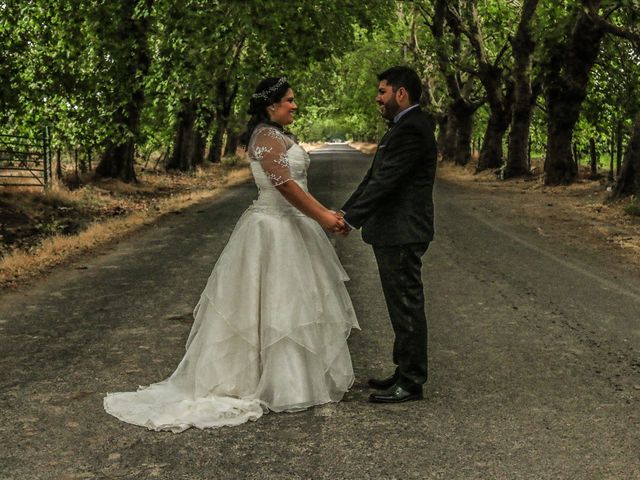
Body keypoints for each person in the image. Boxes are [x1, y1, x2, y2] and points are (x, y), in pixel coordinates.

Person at [103, 77, 359, 432]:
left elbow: (298, 187)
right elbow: (283, 187)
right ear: (271, 106)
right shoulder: (266, 137)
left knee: (289, 304)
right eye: (289, 100)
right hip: (271, 227)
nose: (294, 106)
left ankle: (292, 379)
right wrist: (323, 217)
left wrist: (325, 214)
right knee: (268, 304)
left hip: (291, 226)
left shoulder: (279, 136)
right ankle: (260, 381)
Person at [338, 66, 437, 403]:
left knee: (407, 304)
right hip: (393, 231)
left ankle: (411, 381)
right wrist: (344, 212)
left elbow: (386, 181)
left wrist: (349, 220)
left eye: (382, 92)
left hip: (403, 230)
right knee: (399, 304)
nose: (377, 98)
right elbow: (372, 177)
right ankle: (403, 369)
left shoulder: (412, 129)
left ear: (400, 93)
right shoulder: (400, 128)